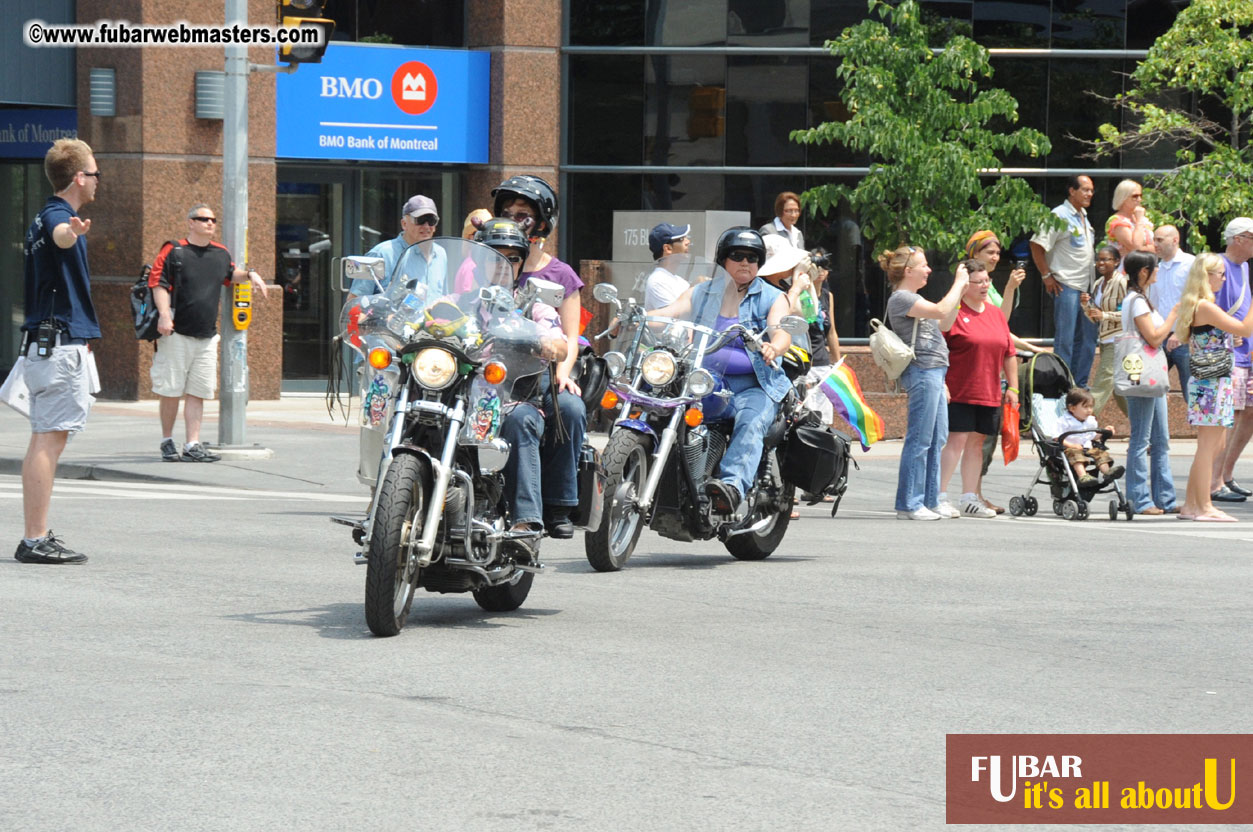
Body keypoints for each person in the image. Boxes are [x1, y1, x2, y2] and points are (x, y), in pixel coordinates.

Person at [646, 227, 793, 513]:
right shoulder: (703, 291)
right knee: (664, 407)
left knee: (751, 422)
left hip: (755, 385)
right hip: (706, 381)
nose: (745, 263)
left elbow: (781, 330)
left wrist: (774, 346)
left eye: (752, 258)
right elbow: (670, 312)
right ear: (724, 259)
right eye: (738, 256)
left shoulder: (772, 297)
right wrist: (636, 317)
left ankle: (731, 487)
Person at [15, 138, 101, 565]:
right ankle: (34, 539)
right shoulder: (56, 215)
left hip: (46, 345)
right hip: (59, 344)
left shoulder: (42, 216)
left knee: (43, 440)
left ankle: (36, 534)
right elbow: (62, 237)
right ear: (79, 177)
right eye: (95, 173)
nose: (98, 182)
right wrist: (74, 230)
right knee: (49, 441)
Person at [491, 175, 587, 537]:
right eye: (508, 212)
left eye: (523, 213)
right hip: (487, 369)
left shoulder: (558, 275)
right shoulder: (483, 266)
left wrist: (563, 369)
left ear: (542, 220)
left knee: (571, 408)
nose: (515, 218)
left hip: (540, 371)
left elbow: (569, 335)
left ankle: (559, 505)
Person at [149, 204, 270, 463]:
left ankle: (192, 443)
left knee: (198, 391)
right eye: (203, 219)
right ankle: (167, 440)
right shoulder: (174, 250)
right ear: (190, 222)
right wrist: (164, 315)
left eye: (213, 220)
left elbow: (230, 275)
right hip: (176, 334)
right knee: (170, 390)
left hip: (206, 336)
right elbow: (157, 283)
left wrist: (251, 274)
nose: (210, 223)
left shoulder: (220, 253)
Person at [884, 246, 969, 520]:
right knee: (920, 439)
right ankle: (909, 503)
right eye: (924, 265)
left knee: (936, 438)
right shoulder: (901, 298)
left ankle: (931, 499)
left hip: (934, 373)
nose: (929, 270)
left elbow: (945, 321)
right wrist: (958, 284)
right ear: (908, 271)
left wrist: (960, 293)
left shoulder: (915, 299)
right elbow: (941, 309)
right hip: (922, 371)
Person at [1175, 253, 1253, 521]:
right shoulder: (1205, 307)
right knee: (1208, 447)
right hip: (1211, 383)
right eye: (1219, 273)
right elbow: (1245, 328)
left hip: (1212, 382)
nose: (1222, 277)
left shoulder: (1202, 306)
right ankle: (1203, 506)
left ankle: (1191, 505)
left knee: (1214, 446)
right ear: (1206, 276)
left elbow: (1223, 337)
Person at [937, 259, 1017, 518]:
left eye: (987, 281)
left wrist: (1013, 388)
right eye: (978, 282)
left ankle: (970, 497)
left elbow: (1009, 352)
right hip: (959, 388)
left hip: (990, 390)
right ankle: (939, 494)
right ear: (964, 285)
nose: (985, 286)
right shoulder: (954, 312)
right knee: (956, 440)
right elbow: (939, 342)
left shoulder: (995, 313)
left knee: (977, 442)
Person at [963, 230, 1036, 515]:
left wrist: (1031, 347)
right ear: (974, 255)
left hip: (995, 367)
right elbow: (998, 322)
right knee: (975, 438)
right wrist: (1009, 289)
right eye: (988, 253)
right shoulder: (972, 284)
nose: (995, 258)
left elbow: (1001, 330)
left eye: (996, 253)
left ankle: (976, 492)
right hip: (978, 371)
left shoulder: (988, 285)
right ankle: (972, 494)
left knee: (985, 436)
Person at [1120, 250, 1179, 516]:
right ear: (1143, 272)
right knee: (1142, 439)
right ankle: (1140, 499)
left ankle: (1164, 498)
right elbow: (1154, 338)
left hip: (1151, 377)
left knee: (1160, 439)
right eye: (1154, 268)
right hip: (1141, 374)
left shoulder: (1142, 299)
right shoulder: (1137, 301)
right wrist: (1173, 316)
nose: (1158, 272)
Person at [1030, 175, 1097, 388]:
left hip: (1087, 288)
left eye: (1091, 190)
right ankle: (1060, 386)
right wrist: (1046, 275)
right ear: (1071, 190)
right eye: (1085, 190)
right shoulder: (1058, 214)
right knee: (1065, 340)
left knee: (1087, 341)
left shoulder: (1084, 215)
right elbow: (1037, 245)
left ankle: (1080, 387)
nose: (1089, 194)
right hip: (1066, 285)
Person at [1210, 217, 1253, 503]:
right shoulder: (1218, 266)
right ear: (1238, 238)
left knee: (1248, 413)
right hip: (1230, 350)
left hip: (1247, 348)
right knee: (1228, 416)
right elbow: (1209, 304)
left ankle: (1226, 473)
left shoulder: (1245, 267)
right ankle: (1213, 482)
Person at [347, 194, 445, 300]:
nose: (426, 226)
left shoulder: (441, 254)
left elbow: (444, 299)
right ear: (404, 224)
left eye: (431, 220)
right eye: (420, 220)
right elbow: (354, 302)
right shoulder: (380, 254)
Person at [1080, 244, 1129, 419]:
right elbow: (1095, 317)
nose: (1101, 263)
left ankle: (1081, 421)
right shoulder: (1098, 283)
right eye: (1099, 259)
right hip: (1105, 339)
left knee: (1103, 382)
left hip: (1120, 339)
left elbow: (1130, 312)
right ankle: (1145, 428)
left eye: (1106, 259)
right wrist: (1086, 305)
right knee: (1119, 389)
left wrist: (1105, 314)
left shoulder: (1122, 282)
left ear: (1117, 261)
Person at [1150, 224, 1196, 398]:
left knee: (1191, 394)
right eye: (1154, 240)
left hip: (1185, 338)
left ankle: (1197, 426)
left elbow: (1196, 301)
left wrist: (1181, 332)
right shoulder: (1157, 268)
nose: (1155, 244)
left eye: (1160, 240)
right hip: (1161, 338)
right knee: (1152, 389)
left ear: (1175, 240)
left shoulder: (1191, 264)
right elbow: (1153, 304)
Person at [1056, 388, 1123, 486]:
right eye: (1085, 407)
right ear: (1072, 408)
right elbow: (1057, 437)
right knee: (1076, 455)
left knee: (1100, 454)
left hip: (1088, 447)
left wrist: (1105, 432)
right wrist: (1071, 445)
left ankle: (1107, 472)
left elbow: (1093, 436)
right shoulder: (1064, 421)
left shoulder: (1090, 420)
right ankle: (1083, 476)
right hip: (1070, 448)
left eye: (1091, 407)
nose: (1089, 410)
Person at [644, 222, 693, 310]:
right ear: (667, 248)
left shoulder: (680, 281)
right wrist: (695, 287)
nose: (688, 242)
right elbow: (673, 317)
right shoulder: (657, 282)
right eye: (682, 239)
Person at [1105, 179, 1156, 262]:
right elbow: (1136, 248)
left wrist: (1139, 249)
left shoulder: (1141, 218)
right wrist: (1139, 221)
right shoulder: (1117, 221)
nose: (1139, 199)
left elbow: (1157, 247)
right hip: (1127, 268)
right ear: (1123, 198)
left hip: (1147, 265)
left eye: (1140, 196)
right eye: (1135, 196)